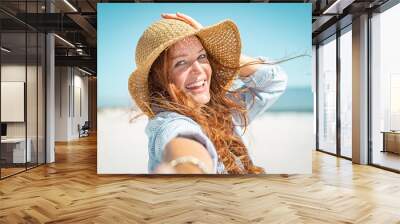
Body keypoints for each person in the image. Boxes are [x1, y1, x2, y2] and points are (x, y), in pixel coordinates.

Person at [128, 13, 287, 174]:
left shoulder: (223, 110)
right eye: (181, 62)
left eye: (202, 56)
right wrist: (188, 166)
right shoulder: (168, 124)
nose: (198, 69)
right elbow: (183, 143)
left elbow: (275, 81)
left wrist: (218, 51)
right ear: (158, 79)